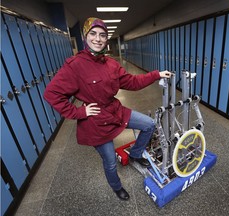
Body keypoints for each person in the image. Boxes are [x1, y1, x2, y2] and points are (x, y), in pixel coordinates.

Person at [44, 17, 172, 201]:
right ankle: (117, 187)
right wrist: (79, 112)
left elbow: (132, 82)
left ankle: (135, 155)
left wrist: (156, 74)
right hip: (96, 123)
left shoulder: (111, 64)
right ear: (85, 36)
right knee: (111, 162)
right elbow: (52, 94)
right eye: (93, 34)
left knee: (149, 124)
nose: (98, 39)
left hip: (114, 111)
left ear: (106, 38)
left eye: (102, 35)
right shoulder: (75, 66)